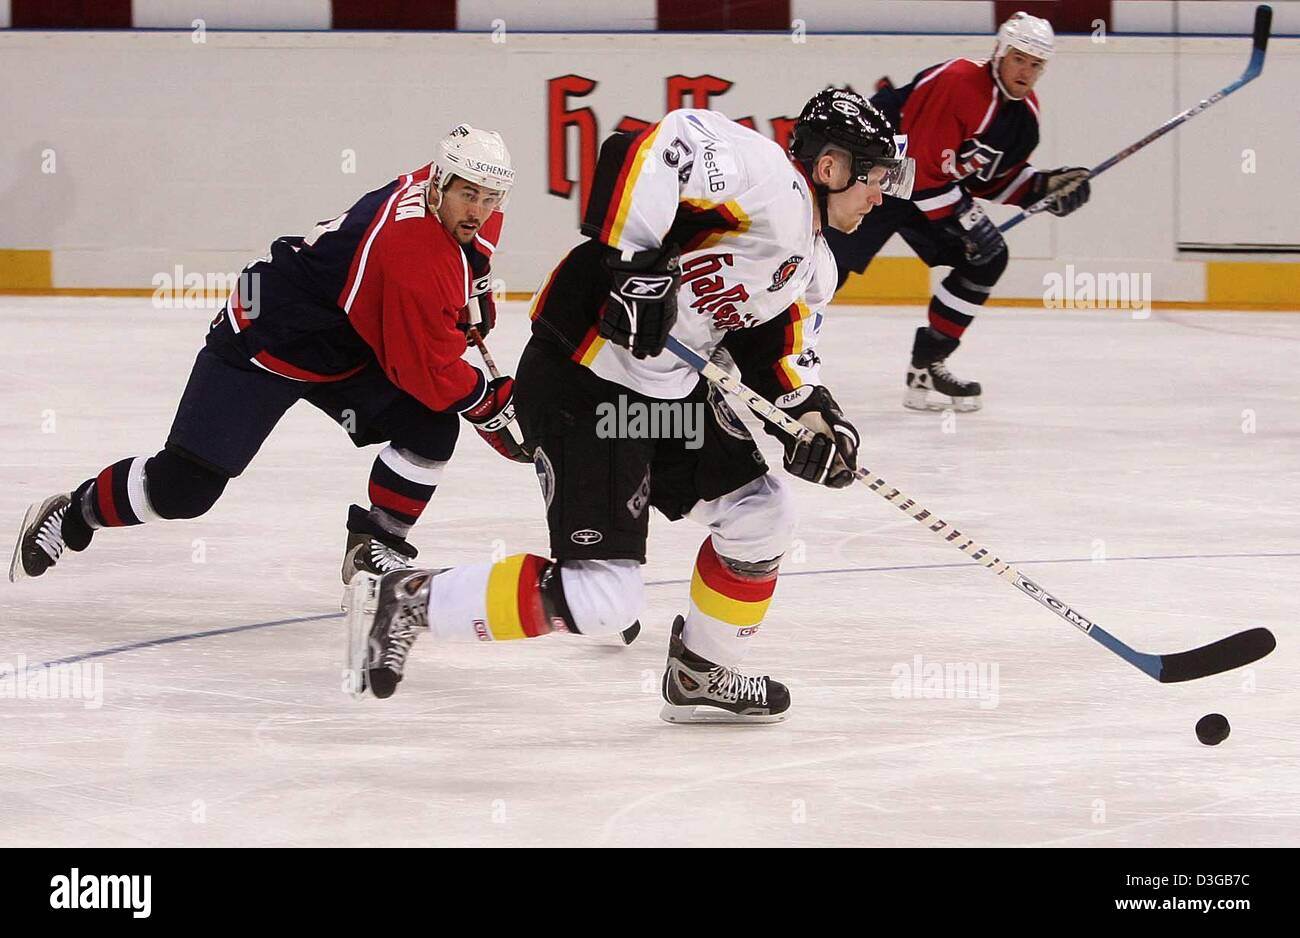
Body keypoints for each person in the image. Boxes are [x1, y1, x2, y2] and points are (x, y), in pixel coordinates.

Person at [344, 89, 915, 724]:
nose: (881, 195)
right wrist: (634, 268)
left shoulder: (813, 265)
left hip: (661, 397)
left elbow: (778, 350)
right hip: (585, 382)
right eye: (876, 177)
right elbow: (642, 150)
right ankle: (408, 598)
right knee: (602, 601)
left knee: (764, 514)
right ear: (831, 168)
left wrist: (813, 420)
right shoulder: (762, 175)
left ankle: (700, 670)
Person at [10, 125, 528, 586]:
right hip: (265, 339)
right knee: (185, 489)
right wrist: (487, 402)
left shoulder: (444, 198)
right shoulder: (408, 248)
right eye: (469, 195)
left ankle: (376, 547)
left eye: (490, 197)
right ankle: (73, 514)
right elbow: (425, 369)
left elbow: (465, 265)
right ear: (439, 183)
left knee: (430, 424)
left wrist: (472, 297)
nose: (479, 210)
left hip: (341, 345)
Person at [823, 11, 1091, 412]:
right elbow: (915, 167)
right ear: (1000, 52)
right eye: (1019, 58)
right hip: (876, 172)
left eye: (1036, 64)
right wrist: (965, 220)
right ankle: (744, 346)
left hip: (924, 185)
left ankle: (929, 362)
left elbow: (985, 180)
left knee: (987, 258)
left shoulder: (1023, 119)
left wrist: (1041, 188)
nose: (1026, 71)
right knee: (823, 268)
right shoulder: (960, 81)